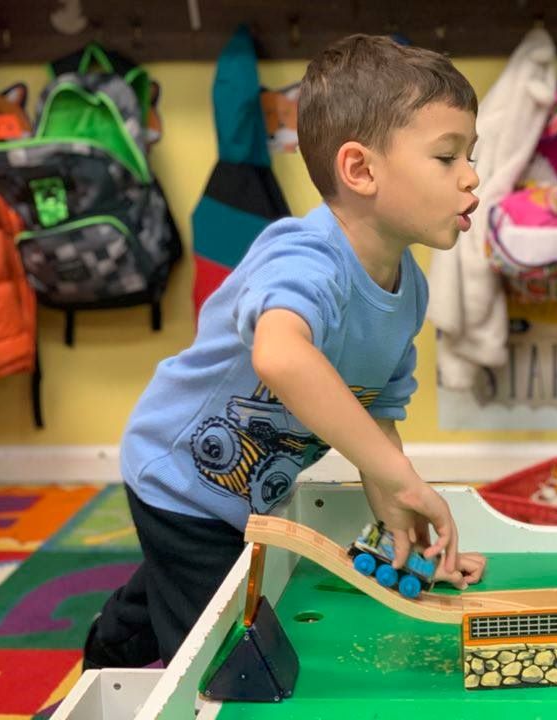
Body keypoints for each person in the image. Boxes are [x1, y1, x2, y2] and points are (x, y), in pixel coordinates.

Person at [83, 34, 486, 670]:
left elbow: (379, 412)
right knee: (231, 659)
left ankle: (124, 626)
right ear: (360, 171)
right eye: (446, 156)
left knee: (197, 588)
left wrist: (395, 508)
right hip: (182, 481)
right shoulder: (303, 254)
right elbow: (281, 356)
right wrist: (400, 473)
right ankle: (127, 648)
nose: (471, 176)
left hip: (247, 496)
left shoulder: (409, 292)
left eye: (471, 154)